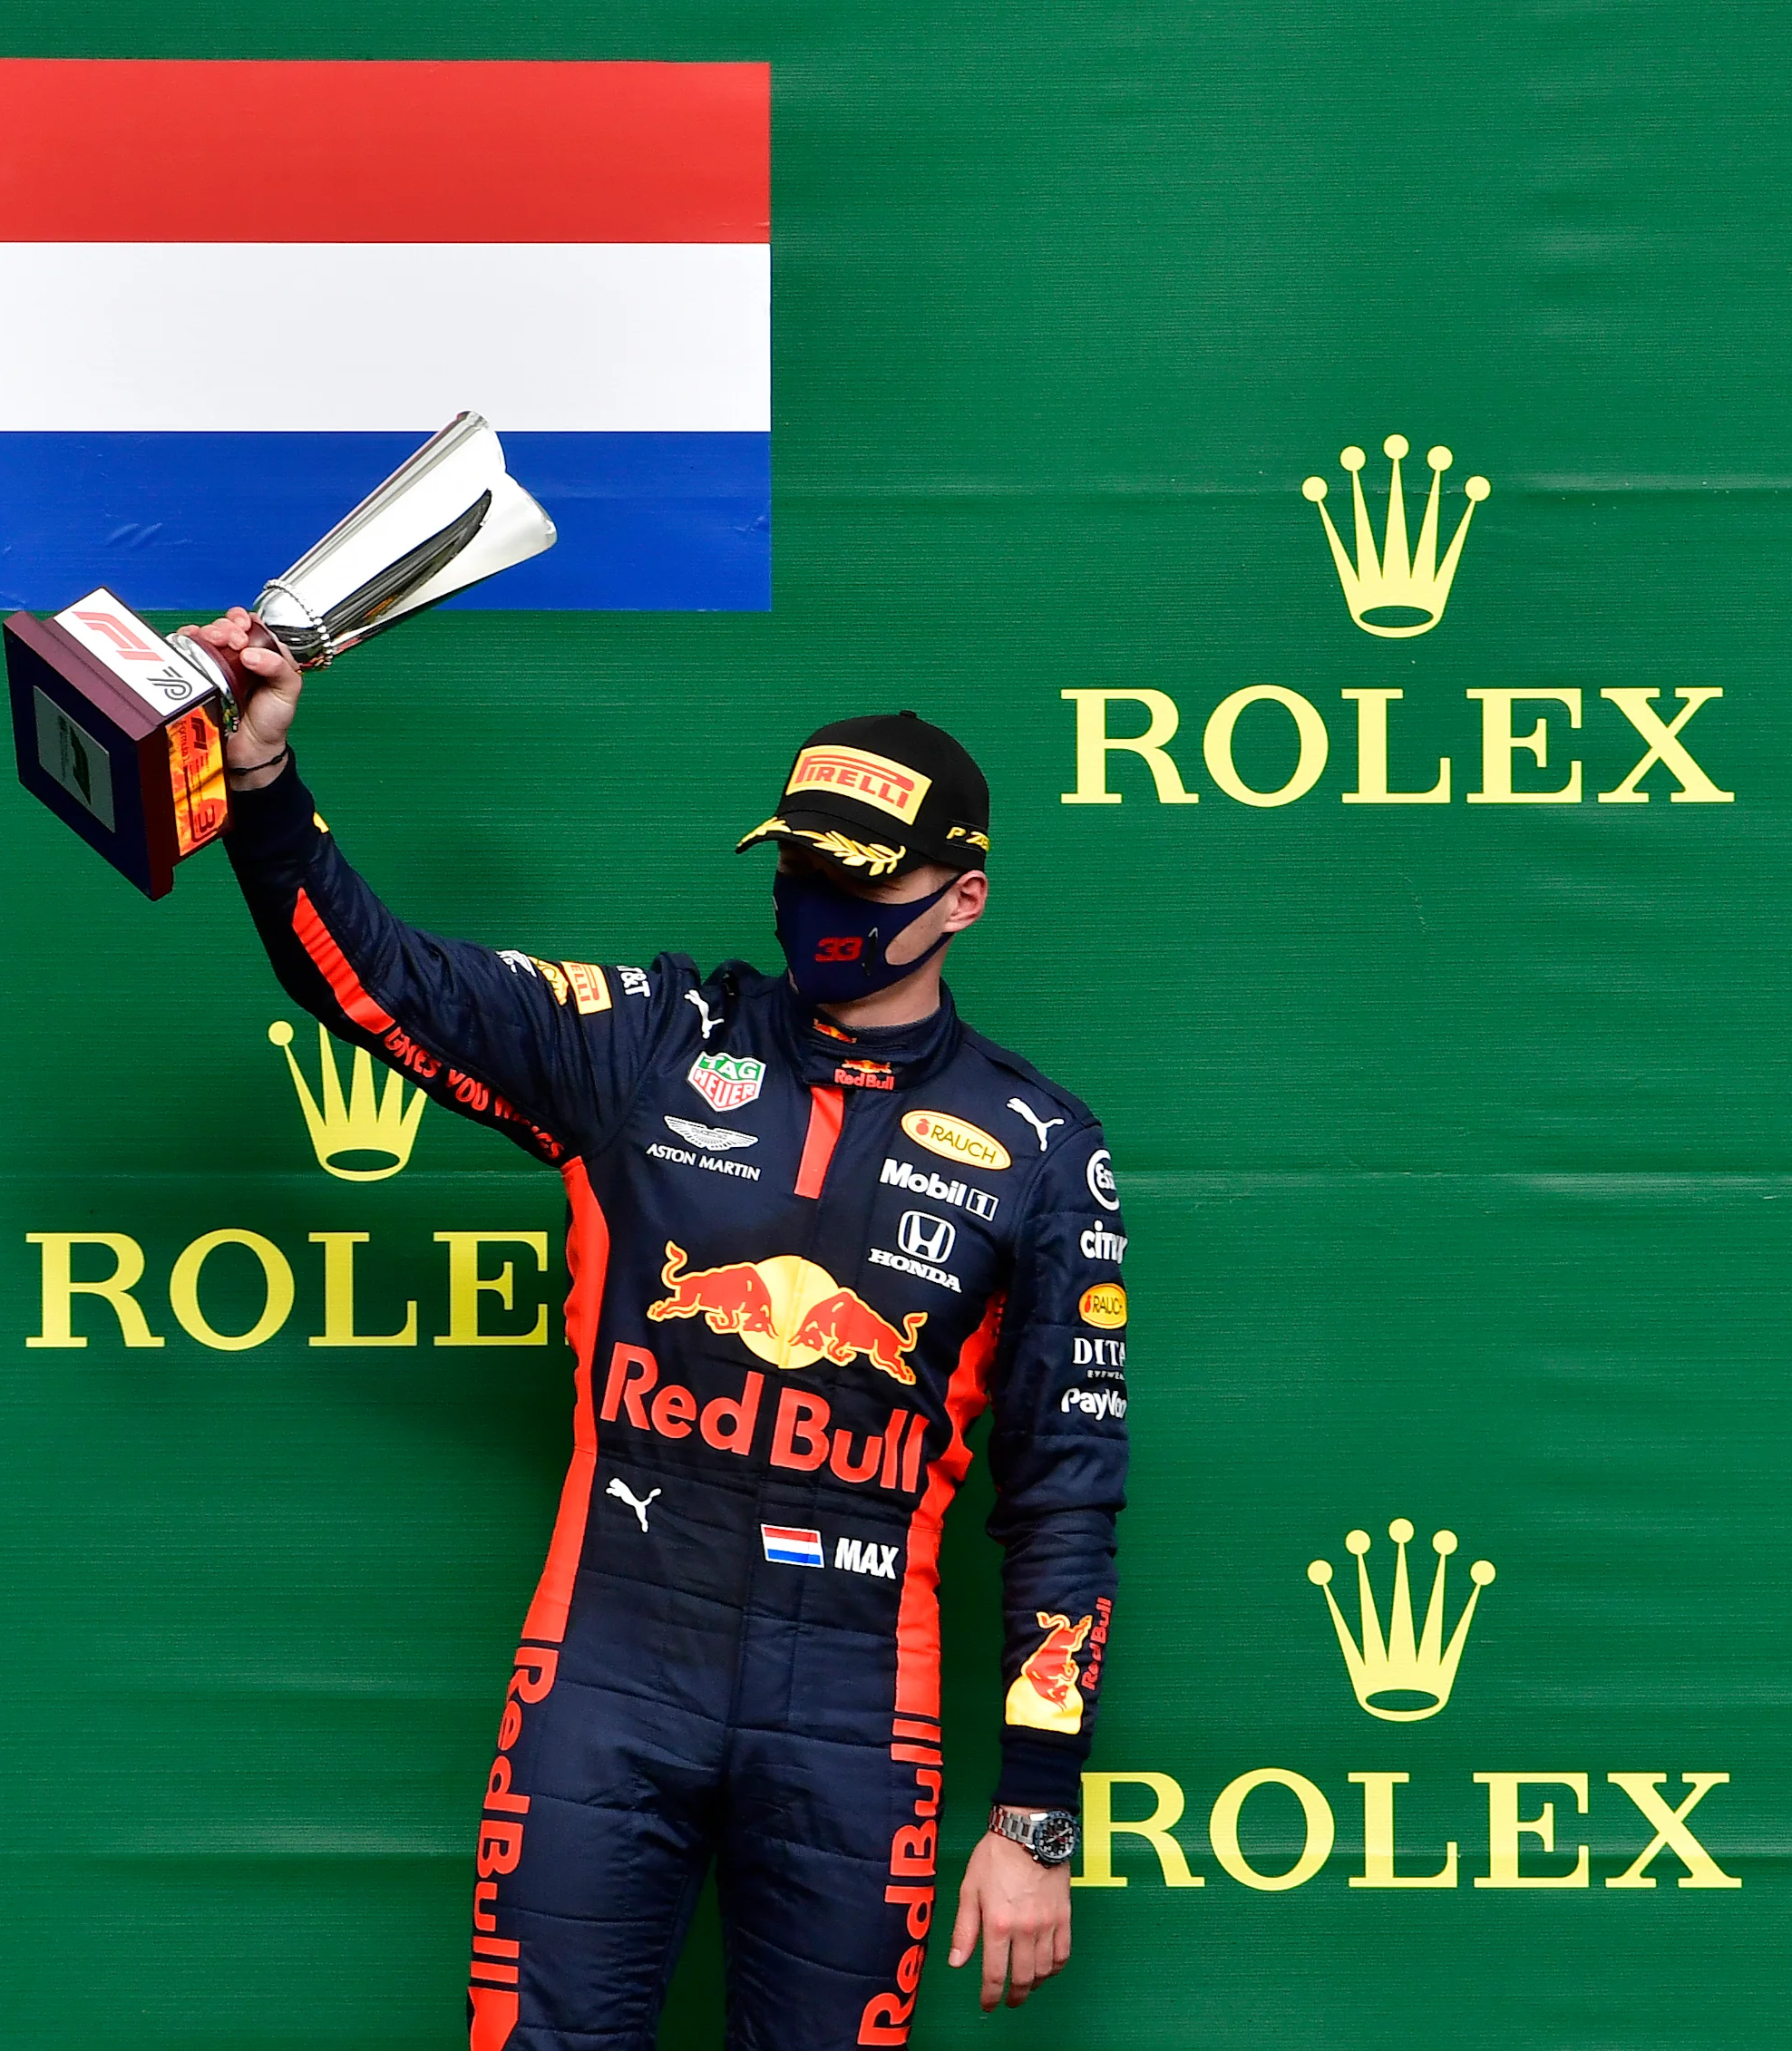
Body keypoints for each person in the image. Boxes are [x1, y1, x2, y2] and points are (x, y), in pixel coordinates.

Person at [182, 608, 1129, 2049]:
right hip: (610, 1671)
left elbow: (1065, 1494)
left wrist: (1038, 1816)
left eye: (863, 876)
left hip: (859, 1712)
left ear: (964, 897)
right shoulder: (656, 1038)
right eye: (802, 865)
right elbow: (378, 979)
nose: (822, 899)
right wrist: (259, 781)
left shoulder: (1044, 1147)